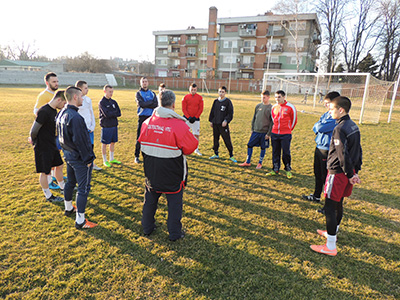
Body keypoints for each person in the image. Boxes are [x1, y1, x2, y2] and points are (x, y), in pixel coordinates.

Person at [138, 90, 198, 241]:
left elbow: (140, 143)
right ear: (173, 104)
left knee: (150, 201)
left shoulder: (146, 123)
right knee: (174, 205)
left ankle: (147, 227)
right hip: (173, 173)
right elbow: (191, 147)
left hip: (151, 172)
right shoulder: (179, 126)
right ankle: (174, 233)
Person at [310, 96, 362, 256]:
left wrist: (349, 173)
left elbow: (342, 153)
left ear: (341, 110)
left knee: (331, 207)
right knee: (339, 202)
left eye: (332, 109)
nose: (330, 111)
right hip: (347, 173)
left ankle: (330, 246)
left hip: (337, 173)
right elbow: (358, 151)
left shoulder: (339, 128)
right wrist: (354, 172)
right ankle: (333, 232)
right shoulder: (353, 125)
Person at [57, 86, 97, 229]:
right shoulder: (76, 118)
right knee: (83, 188)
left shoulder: (62, 113)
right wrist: (88, 160)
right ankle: (80, 220)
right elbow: (82, 142)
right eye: (81, 96)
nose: (82, 98)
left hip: (68, 155)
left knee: (70, 182)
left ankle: (68, 208)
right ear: (75, 97)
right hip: (78, 158)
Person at [29, 90, 66, 203]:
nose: (64, 106)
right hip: (43, 146)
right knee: (45, 171)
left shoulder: (54, 111)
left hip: (52, 144)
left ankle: (63, 188)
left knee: (59, 165)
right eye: (64, 103)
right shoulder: (44, 111)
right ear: (59, 100)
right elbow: (33, 131)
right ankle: (48, 195)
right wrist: (36, 142)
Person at [302, 91, 340, 202]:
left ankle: (328, 201)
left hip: (327, 149)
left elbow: (320, 128)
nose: (325, 105)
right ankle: (316, 195)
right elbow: (316, 126)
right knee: (317, 173)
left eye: (327, 103)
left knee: (326, 177)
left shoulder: (336, 116)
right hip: (319, 146)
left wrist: (320, 126)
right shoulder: (326, 114)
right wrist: (319, 126)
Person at [33, 72, 62, 189]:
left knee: (56, 157)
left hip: (54, 132)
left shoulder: (55, 94)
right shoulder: (44, 95)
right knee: (47, 161)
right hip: (46, 134)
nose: (56, 83)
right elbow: (37, 112)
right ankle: (49, 181)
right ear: (47, 82)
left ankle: (55, 177)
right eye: (54, 81)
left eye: (57, 81)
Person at [239, 90, 273, 169]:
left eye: (264, 97)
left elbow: (272, 122)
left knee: (263, 147)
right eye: (262, 97)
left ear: (268, 97)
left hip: (264, 132)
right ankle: (247, 161)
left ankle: (260, 163)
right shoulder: (258, 106)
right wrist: (252, 128)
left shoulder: (271, 108)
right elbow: (254, 118)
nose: (263, 99)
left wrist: (268, 133)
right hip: (256, 131)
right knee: (249, 145)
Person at [267, 90, 297, 178]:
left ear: (284, 97)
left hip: (286, 134)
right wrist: (275, 129)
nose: (277, 99)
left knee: (286, 152)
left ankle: (287, 169)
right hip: (275, 133)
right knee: (275, 152)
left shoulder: (291, 107)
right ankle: (275, 168)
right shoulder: (274, 107)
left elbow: (294, 120)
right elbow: (273, 119)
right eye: (276, 97)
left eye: (279, 97)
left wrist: (287, 129)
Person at [75, 80, 102, 171]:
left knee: (90, 147)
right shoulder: (74, 100)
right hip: (80, 129)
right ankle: (82, 165)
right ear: (79, 89)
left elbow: (91, 113)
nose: (87, 90)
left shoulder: (88, 100)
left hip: (89, 128)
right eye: (85, 88)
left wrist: (92, 126)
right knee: (80, 148)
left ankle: (92, 164)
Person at [208, 86, 237, 162]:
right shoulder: (215, 101)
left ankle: (231, 155)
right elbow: (212, 112)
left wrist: (226, 120)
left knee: (227, 139)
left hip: (223, 125)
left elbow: (230, 113)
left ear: (225, 93)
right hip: (215, 124)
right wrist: (211, 120)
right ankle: (216, 153)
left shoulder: (227, 102)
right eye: (220, 91)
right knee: (215, 139)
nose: (221, 93)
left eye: (222, 92)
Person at [134, 77, 158, 164]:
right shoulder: (138, 93)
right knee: (140, 137)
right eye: (143, 82)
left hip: (151, 118)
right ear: (141, 83)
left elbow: (155, 104)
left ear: (148, 83)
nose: (144, 83)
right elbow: (141, 104)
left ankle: (150, 155)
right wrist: (149, 103)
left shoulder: (152, 93)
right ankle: (136, 156)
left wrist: (147, 103)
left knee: (151, 137)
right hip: (142, 117)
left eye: (146, 81)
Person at [99, 85, 122, 167]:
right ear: (105, 91)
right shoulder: (102, 102)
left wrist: (112, 113)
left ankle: (111, 158)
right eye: (109, 92)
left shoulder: (114, 102)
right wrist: (113, 113)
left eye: (112, 91)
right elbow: (106, 114)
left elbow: (119, 113)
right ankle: (105, 160)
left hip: (114, 125)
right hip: (106, 126)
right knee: (105, 143)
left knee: (113, 142)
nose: (111, 93)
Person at [182, 83, 204, 155]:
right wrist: (189, 117)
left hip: (196, 119)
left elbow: (201, 109)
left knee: (196, 134)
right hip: (187, 119)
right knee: (184, 134)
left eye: (194, 90)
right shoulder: (185, 97)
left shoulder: (200, 98)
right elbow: (184, 109)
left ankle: (196, 149)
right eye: (192, 90)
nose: (193, 91)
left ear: (196, 89)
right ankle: (185, 148)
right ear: (189, 89)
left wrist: (196, 117)